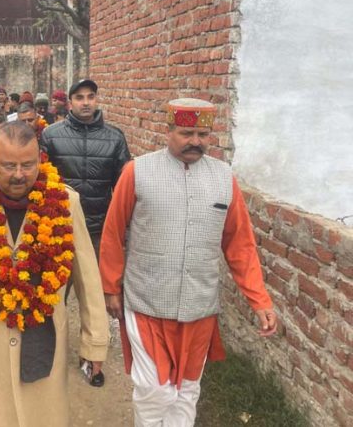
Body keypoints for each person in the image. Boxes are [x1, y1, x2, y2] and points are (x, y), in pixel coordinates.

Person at [100, 98, 279, 427]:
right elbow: (113, 232)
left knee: (187, 390)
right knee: (154, 390)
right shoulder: (137, 171)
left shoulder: (224, 177)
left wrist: (259, 299)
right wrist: (111, 286)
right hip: (146, 302)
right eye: (186, 132)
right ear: (168, 130)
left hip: (200, 306)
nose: (195, 141)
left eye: (202, 134)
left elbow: (240, 243)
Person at [0, 121, 109, 427]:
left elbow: (88, 279)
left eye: (28, 164)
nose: (19, 174)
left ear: (41, 159)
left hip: (42, 334)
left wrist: (95, 342)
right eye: (8, 165)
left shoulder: (66, 202)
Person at [41, 79, 131, 256]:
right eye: (79, 97)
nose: (86, 102)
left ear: (96, 99)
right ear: (70, 102)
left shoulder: (115, 137)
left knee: (94, 281)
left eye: (90, 97)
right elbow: (42, 180)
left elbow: (122, 188)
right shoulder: (51, 135)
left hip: (98, 229)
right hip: (60, 225)